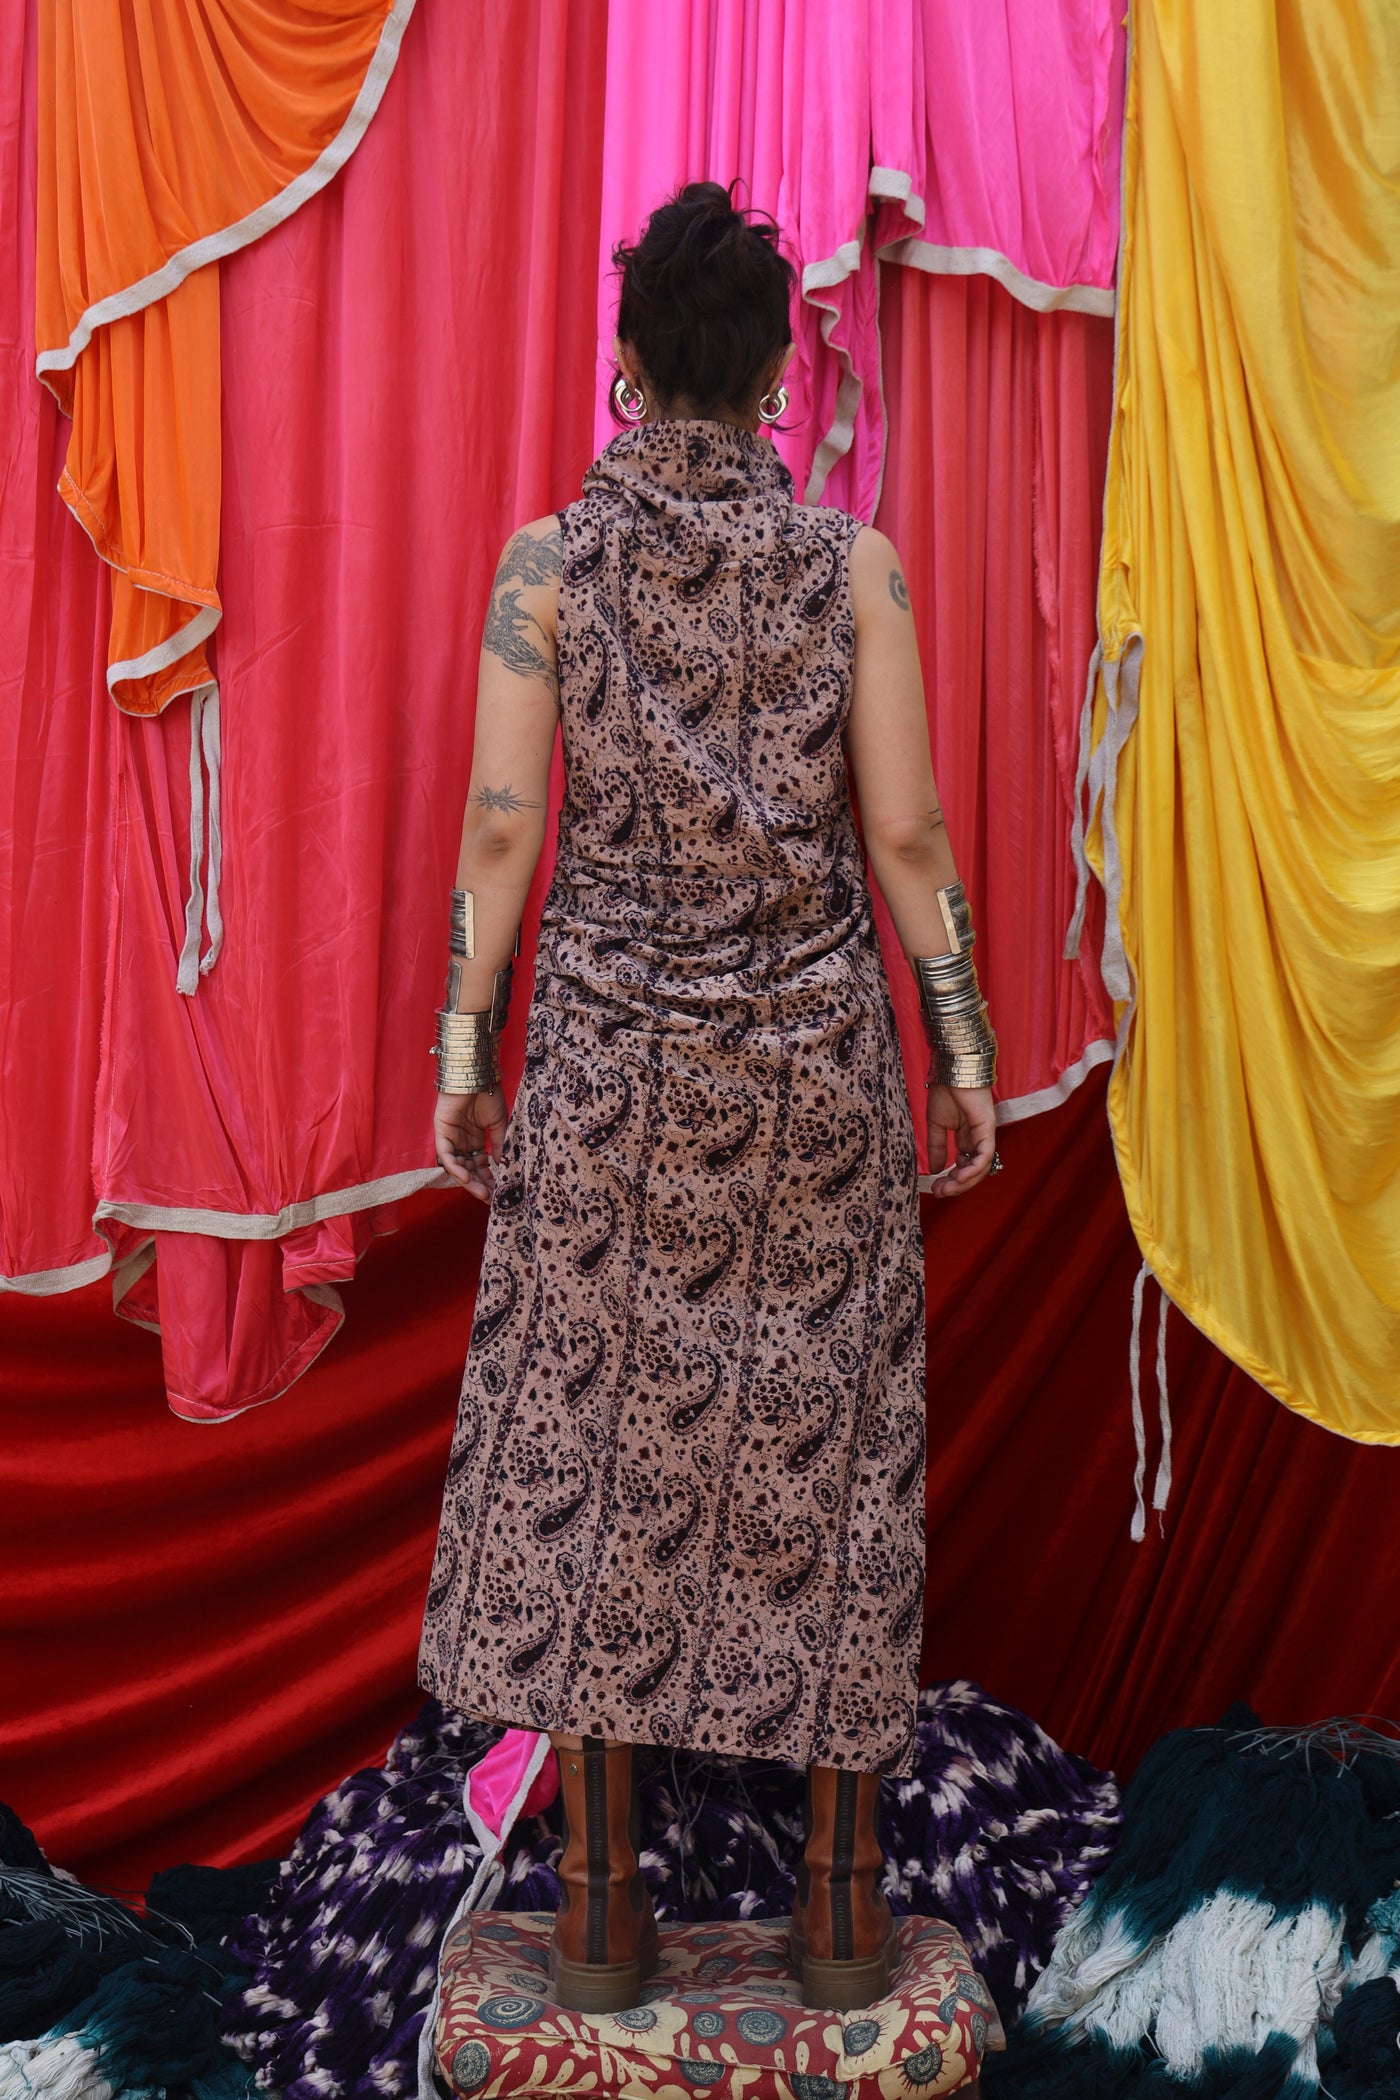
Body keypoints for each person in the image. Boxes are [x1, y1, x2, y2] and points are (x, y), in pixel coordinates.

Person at [418, 181, 999, 2017]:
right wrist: (964, 1046)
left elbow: (501, 830)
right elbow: (907, 831)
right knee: (831, 1470)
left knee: (596, 1467)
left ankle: (601, 1920)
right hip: (814, 1078)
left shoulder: (548, 568)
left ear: (626, 362)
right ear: (773, 375)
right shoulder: (850, 567)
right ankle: (842, 1918)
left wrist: (464, 1049)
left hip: (609, 1080)